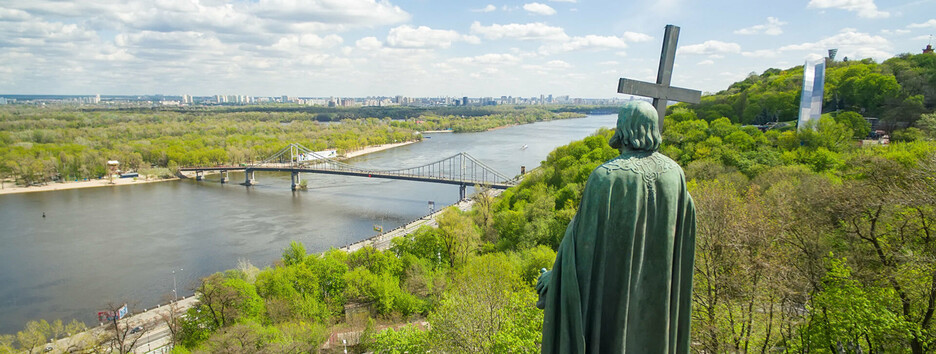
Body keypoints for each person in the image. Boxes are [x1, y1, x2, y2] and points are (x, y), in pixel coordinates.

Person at [537, 100, 696, 353]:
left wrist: (554, 279)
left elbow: (582, 250)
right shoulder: (675, 174)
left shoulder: (606, 177)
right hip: (657, 306)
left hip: (612, 306)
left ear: (622, 129)